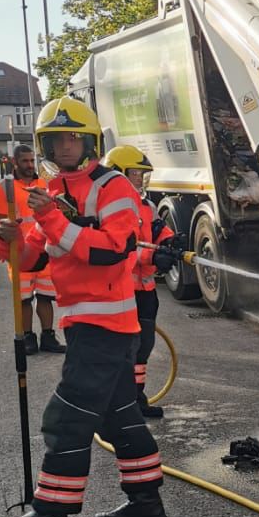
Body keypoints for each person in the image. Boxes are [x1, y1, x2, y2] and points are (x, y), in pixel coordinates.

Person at [0, 97, 167, 517]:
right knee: (119, 418)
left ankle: (50, 514)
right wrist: (7, 235)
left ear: (89, 141)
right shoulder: (53, 195)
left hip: (107, 326)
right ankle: (147, 505)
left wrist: (49, 218)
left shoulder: (113, 188)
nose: (66, 148)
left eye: (73, 138)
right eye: (56, 140)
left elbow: (112, 249)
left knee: (65, 419)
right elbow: (30, 259)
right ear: (44, 146)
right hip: (85, 324)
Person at [103, 145, 175, 419]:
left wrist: (168, 241)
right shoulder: (111, 210)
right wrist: (155, 258)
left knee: (143, 347)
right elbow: (122, 251)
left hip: (145, 292)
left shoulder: (147, 206)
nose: (140, 180)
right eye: (136, 174)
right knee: (125, 350)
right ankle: (121, 403)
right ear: (118, 174)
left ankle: (136, 399)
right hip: (122, 293)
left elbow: (157, 229)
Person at [0, 144, 62, 354]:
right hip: (19, 254)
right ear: (15, 162)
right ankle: (28, 337)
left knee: (47, 297)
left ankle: (48, 337)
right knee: (24, 299)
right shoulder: (4, 188)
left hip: (45, 251)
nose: (30, 165)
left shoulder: (45, 185)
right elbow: (1, 226)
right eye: (25, 161)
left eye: (32, 161)